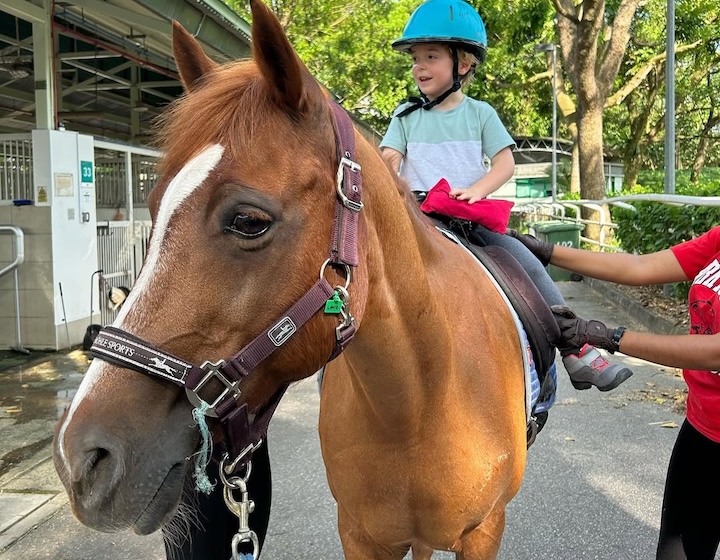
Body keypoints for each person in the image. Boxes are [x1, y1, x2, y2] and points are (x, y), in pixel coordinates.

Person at [379, 0, 632, 392]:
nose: (419, 67)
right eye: (415, 58)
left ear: (462, 64)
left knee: (525, 261)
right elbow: (389, 157)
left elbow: (504, 164)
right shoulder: (404, 116)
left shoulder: (481, 114)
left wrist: (477, 190)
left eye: (430, 56)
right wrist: (386, 168)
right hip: (416, 217)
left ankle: (574, 347)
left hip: (466, 217)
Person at [510, 225, 720, 559]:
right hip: (703, 427)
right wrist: (545, 251)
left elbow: (716, 351)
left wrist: (610, 336)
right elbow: (641, 268)